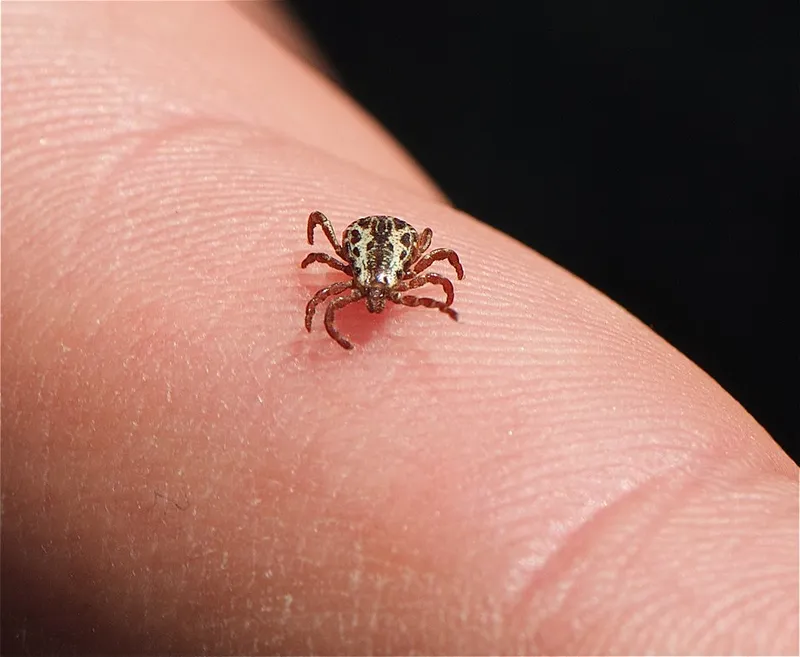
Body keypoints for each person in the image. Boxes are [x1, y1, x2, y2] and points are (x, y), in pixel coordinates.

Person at [2, 3, 796, 654]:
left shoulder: (407, 271)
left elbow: (440, 263)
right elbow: (334, 281)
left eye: (382, 297)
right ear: (358, 268)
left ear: (394, 274)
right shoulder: (343, 273)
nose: (375, 306)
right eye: (371, 298)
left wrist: (433, 301)